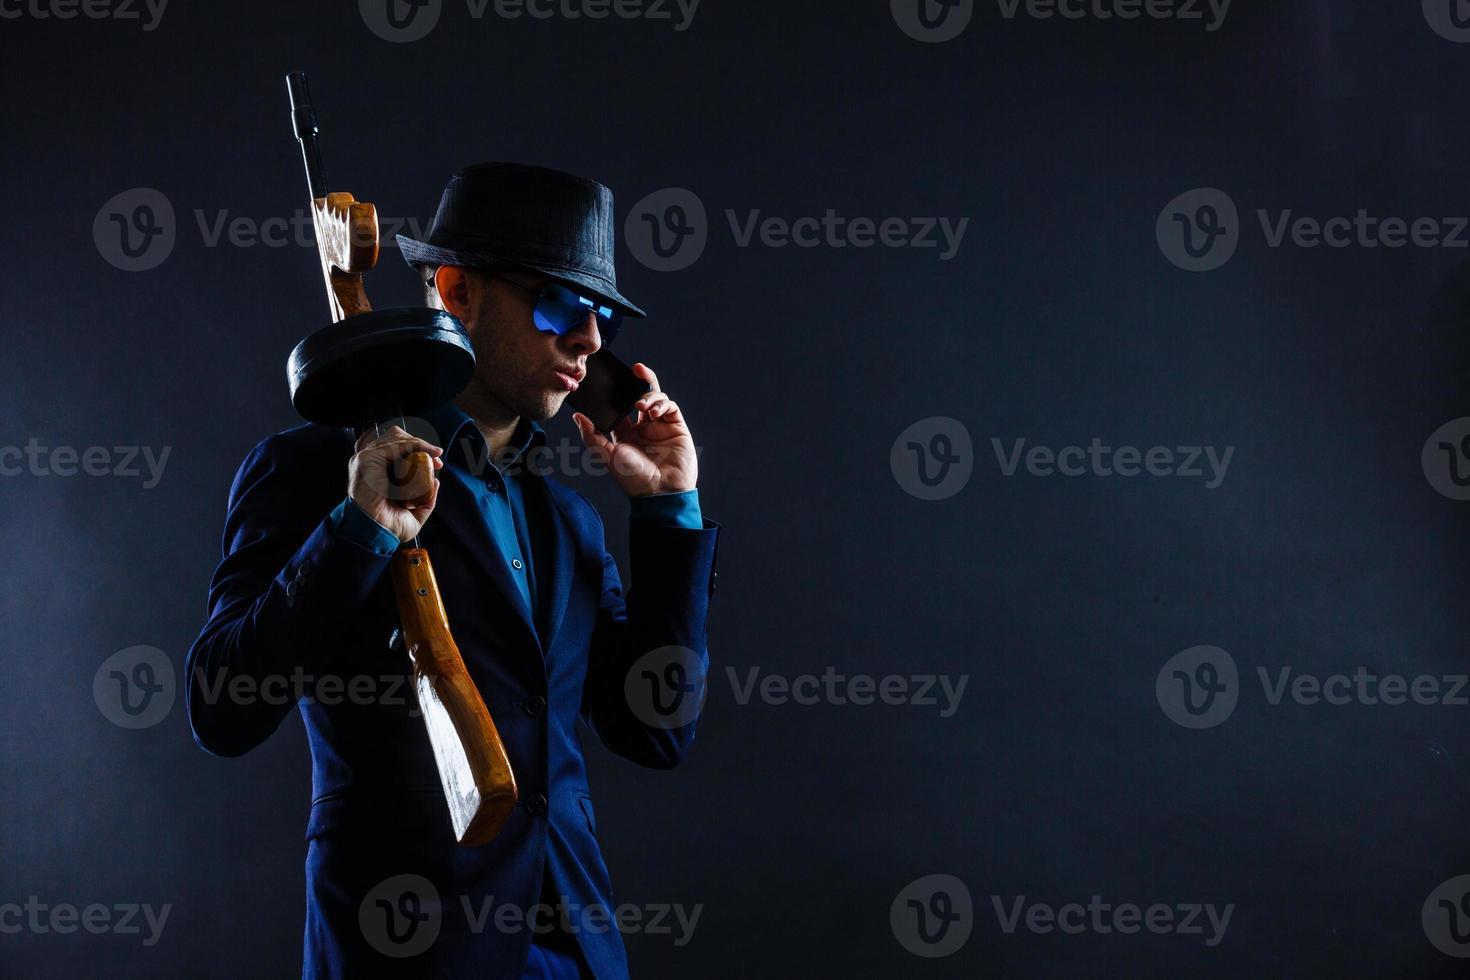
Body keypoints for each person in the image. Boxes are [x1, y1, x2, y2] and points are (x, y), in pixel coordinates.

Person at [185, 162, 720, 978]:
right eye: (558, 302)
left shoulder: (570, 523)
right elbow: (222, 705)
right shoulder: (316, 471)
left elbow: (655, 729)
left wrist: (668, 510)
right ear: (456, 291)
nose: (589, 338)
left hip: (576, 958)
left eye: (600, 314)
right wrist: (358, 529)